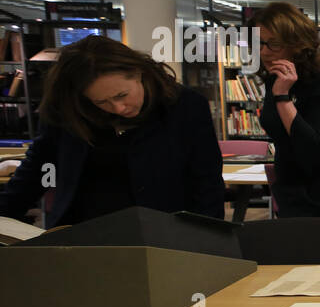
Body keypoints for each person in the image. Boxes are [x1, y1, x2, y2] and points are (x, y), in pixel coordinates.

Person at [0, 35, 224, 227]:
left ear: (138, 74)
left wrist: (208, 239)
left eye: (121, 95)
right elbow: (37, 168)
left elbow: (206, 181)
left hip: (164, 233)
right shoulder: (68, 110)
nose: (118, 108)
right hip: (84, 233)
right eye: (101, 102)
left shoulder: (184, 105)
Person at [254, 2, 320, 218]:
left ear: (296, 45)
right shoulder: (277, 80)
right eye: (261, 43)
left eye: (274, 44)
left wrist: (282, 97)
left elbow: (311, 146)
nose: (264, 52)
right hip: (289, 186)